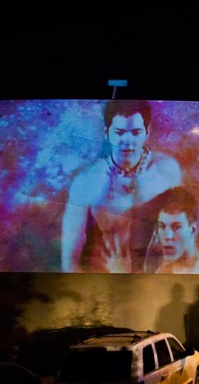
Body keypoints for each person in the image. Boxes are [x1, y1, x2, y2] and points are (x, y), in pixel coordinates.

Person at [61, 100, 182, 273]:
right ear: (107, 133)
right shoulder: (86, 182)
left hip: (156, 282)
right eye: (119, 132)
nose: (127, 141)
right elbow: (69, 263)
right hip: (103, 282)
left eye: (136, 132)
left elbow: (182, 237)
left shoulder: (167, 171)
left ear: (147, 132)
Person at [145, 187, 199, 274]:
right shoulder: (164, 265)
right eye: (162, 226)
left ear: (193, 230)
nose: (168, 236)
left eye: (176, 227)